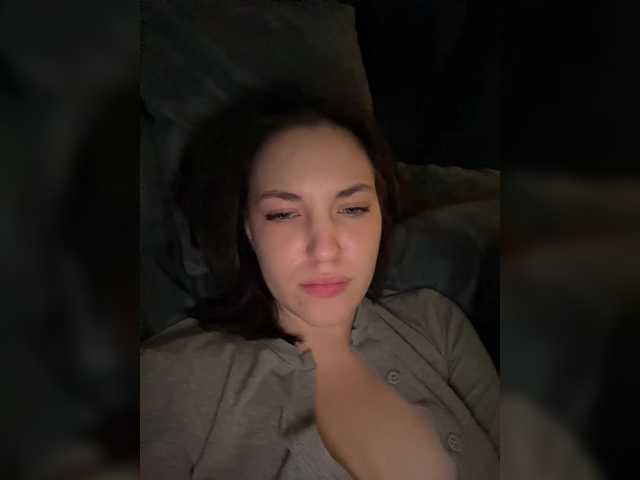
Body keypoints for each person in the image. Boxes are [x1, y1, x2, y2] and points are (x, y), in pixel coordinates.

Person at [140, 88, 499, 479]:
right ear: (247, 229)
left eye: (352, 208)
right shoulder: (172, 377)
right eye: (284, 214)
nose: (324, 249)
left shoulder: (436, 324)